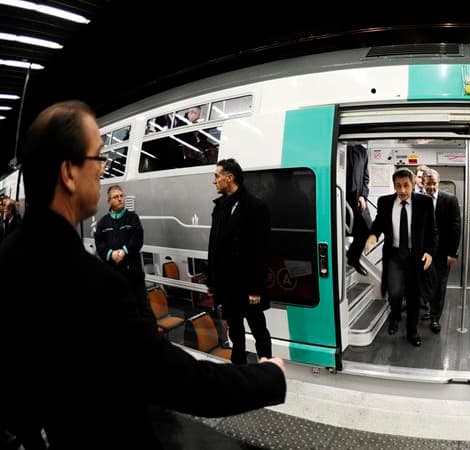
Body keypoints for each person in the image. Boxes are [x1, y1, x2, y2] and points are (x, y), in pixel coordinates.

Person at [0, 101, 286, 449]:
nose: (104, 171)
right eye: (99, 158)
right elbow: (180, 381)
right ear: (69, 173)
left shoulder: (8, 256)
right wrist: (270, 377)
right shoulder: (95, 286)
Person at [207, 158, 273, 365]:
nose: (214, 181)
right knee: (235, 331)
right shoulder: (219, 208)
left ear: (230, 178)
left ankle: (266, 369)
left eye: (217, 176)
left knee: (258, 329)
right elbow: (214, 247)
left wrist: (256, 288)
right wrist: (212, 282)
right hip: (227, 286)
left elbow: (260, 250)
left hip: (248, 286)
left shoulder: (255, 206)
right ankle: (238, 369)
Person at [365, 167, 436, 346]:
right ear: (394, 186)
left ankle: (412, 332)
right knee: (395, 293)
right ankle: (395, 317)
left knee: (413, 296)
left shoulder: (425, 203)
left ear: (413, 185)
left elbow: (432, 232)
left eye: (406, 185)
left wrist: (429, 252)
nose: (402, 191)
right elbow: (378, 224)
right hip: (394, 255)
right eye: (398, 186)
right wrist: (373, 236)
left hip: (415, 256)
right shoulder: (385, 202)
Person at [94, 185, 147, 307]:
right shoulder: (103, 223)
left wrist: (124, 251)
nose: (120, 199)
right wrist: (111, 254)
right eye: (115, 197)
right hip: (114, 277)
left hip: (134, 275)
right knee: (118, 310)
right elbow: (100, 245)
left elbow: (137, 239)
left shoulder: (133, 218)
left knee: (140, 308)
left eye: (121, 196)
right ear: (109, 201)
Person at [421, 169, 460, 334]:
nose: (431, 187)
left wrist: (452, 253)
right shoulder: (418, 200)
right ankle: (430, 308)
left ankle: (436, 318)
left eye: (434, 184)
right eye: (428, 184)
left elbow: (456, 227)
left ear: (439, 182)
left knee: (440, 285)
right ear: (423, 183)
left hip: (443, 252)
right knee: (427, 284)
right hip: (423, 252)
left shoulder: (450, 200)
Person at [345, 143, 371, 276]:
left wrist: (363, 196)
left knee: (367, 230)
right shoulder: (340, 147)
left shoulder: (362, 151)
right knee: (341, 232)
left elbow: (366, 179)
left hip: (357, 201)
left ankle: (353, 257)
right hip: (341, 199)